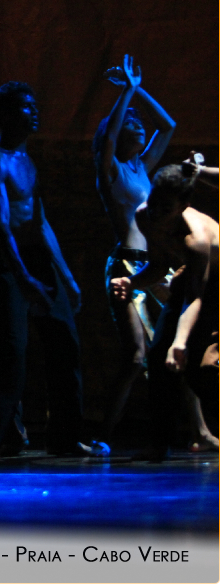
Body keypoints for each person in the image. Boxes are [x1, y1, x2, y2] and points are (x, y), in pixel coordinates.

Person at [0, 83, 101, 457]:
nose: (35, 112)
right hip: (10, 264)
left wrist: (67, 277)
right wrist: (23, 278)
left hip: (39, 261)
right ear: (6, 114)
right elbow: (1, 226)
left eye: (34, 105)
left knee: (65, 345)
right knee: (12, 352)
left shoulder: (26, 159)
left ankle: (65, 437)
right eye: (27, 107)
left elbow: (40, 223)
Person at [94, 55, 215, 450]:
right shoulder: (111, 170)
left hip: (154, 265)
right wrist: (125, 96)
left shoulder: (142, 169)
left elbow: (168, 125)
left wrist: (137, 88)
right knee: (136, 357)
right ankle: (103, 436)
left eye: (138, 121)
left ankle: (198, 431)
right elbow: (107, 140)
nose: (139, 125)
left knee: (182, 342)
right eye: (131, 123)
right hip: (126, 262)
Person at [114, 163, 219, 460]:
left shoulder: (196, 239)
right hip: (191, 280)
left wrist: (181, 342)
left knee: (204, 369)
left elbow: (195, 298)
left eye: (166, 208)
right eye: (155, 202)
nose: (156, 212)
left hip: (214, 289)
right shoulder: (144, 215)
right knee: (159, 355)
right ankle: (159, 443)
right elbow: (160, 265)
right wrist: (132, 281)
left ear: (183, 207)